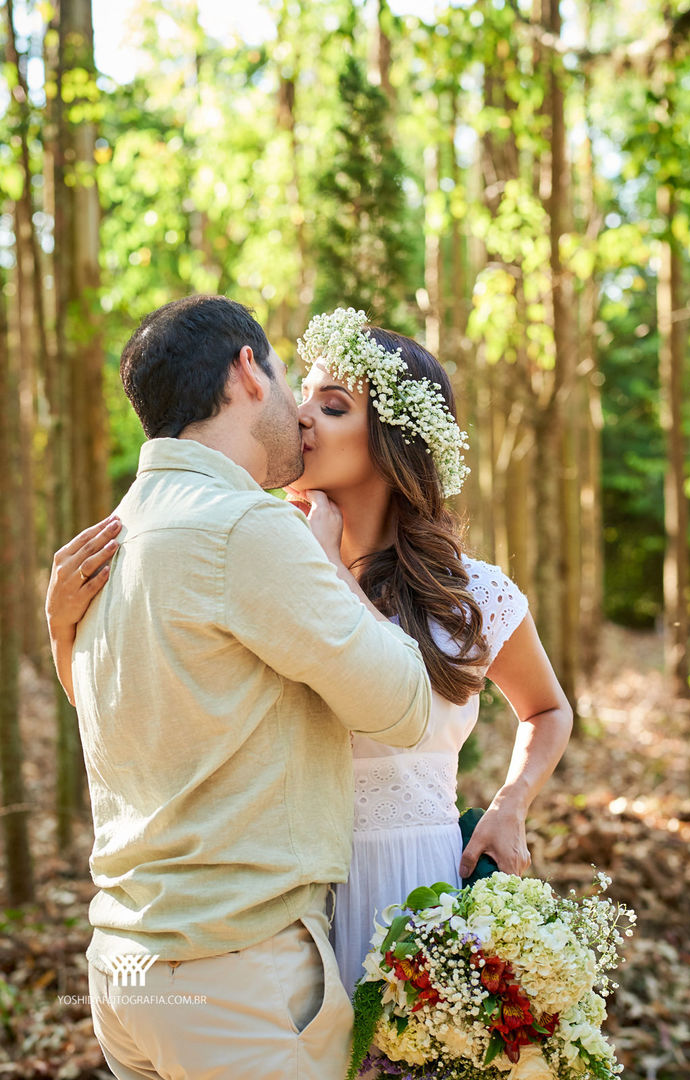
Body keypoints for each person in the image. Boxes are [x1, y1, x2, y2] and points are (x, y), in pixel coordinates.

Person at [48, 304, 572, 1007]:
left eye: (331, 406)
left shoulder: (472, 593)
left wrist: (511, 803)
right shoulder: (261, 562)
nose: (300, 416)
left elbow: (545, 707)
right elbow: (155, 708)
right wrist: (65, 633)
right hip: (281, 907)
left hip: (423, 884)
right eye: (302, 395)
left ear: (392, 441)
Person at [45, 295, 433, 1080]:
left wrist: (59, 635)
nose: (300, 416)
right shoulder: (245, 526)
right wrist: (325, 560)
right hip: (230, 976)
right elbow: (403, 707)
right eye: (290, 382)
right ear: (249, 371)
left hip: (125, 972)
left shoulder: (116, 537)